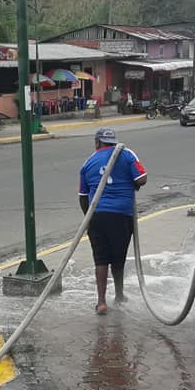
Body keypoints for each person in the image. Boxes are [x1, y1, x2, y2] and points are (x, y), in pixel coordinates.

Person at [79, 128, 148, 315]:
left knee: (100, 259)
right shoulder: (127, 154)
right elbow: (142, 179)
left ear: (97, 142)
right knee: (118, 259)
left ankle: (101, 302)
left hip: (97, 216)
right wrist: (131, 183)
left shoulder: (88, 162)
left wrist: (89, 218)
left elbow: (83, 196)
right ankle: (119, 295)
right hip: (121, 216)